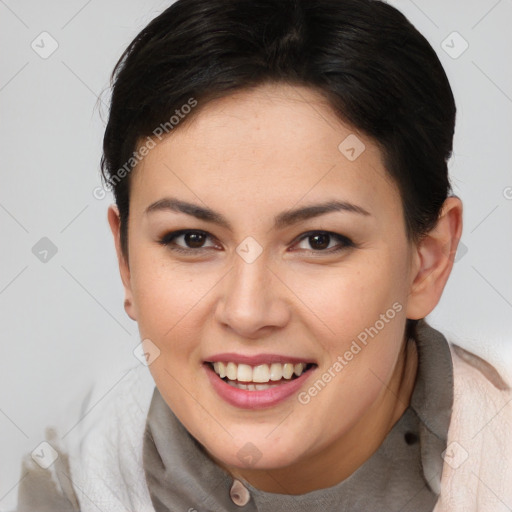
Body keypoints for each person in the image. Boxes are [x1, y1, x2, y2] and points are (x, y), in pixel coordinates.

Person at [15, 0, 512, 510]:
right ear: (126, 263)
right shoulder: (60, 485)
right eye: (191, 239)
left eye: (319, 241)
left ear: (427, 262)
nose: (248, 312)